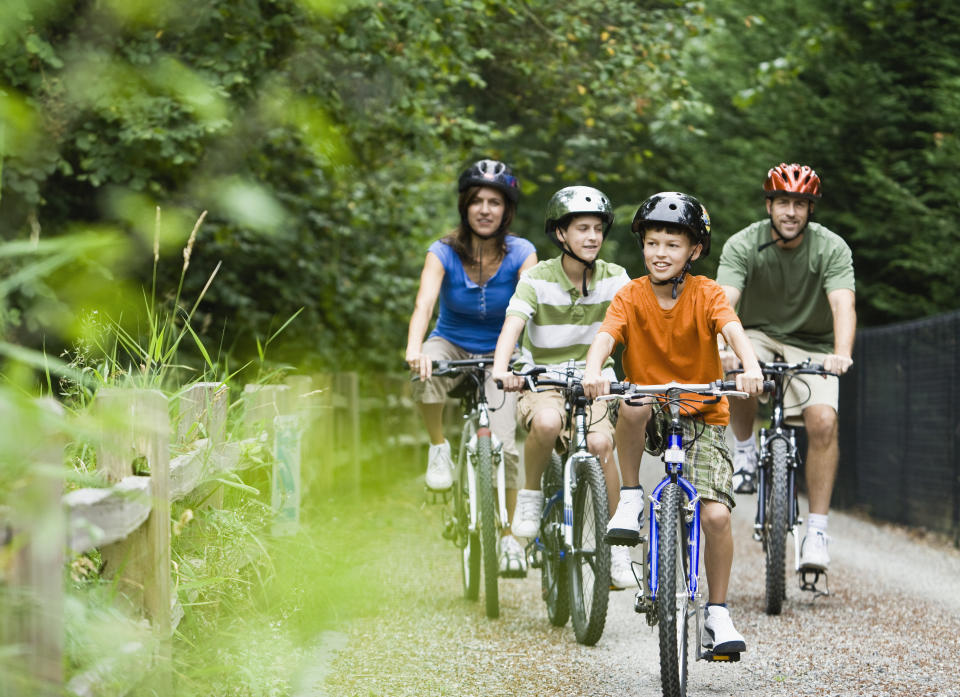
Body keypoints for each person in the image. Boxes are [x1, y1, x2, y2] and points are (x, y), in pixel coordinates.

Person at [583, 191, 764, 654]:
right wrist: (592, 369)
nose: (660, 253)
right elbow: (606, 337)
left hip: (701, 413)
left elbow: (731, 328)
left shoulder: (707, 293)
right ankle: (629, 498)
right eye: (652, 242)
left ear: (694, 251)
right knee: (634, 402)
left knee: (717, 514)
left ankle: (718, 613)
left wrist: (749, 364)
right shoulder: (631, 295)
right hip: (653, 409)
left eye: (672, 244)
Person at [491, 185, 634, 589]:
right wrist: (503, 369)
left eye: (598, 229)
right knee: (549, 422)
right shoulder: (536, 279)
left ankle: (618, 549)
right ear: (561, 234)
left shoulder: (615, 278)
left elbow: (640, 325)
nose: (592, 237)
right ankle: (532, 497)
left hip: (595, 381)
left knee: (603, 445)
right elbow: (512, 327)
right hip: (543, 381)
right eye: (582, 228)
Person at [715, 163, 855, 573]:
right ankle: (743, 453)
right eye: (783, 203)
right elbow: (725, 302)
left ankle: (817, 530)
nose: (791, 212)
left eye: (800, 203)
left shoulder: (831, 248)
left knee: (823, 422)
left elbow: (842, 304)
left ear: (811, 210)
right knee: (741, 371)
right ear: (768, 205)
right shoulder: (743, 244)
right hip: (754, 333)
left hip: (812, 343)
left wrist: (841, 352)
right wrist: (725, 346)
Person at [405, 158, 537, 576]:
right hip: (453, 344)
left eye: (494, 202)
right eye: (477, 201)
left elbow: (533, 308)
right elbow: (424, 303)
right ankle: (439, 446)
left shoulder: (522, 252)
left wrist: (526, 361)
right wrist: (416, 348)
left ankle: (508, 537)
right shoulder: (442, 250)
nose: (485, 209)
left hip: (501, 354)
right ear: (465, 206)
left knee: (506, 445)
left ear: (506, 209)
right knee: (426, 370)